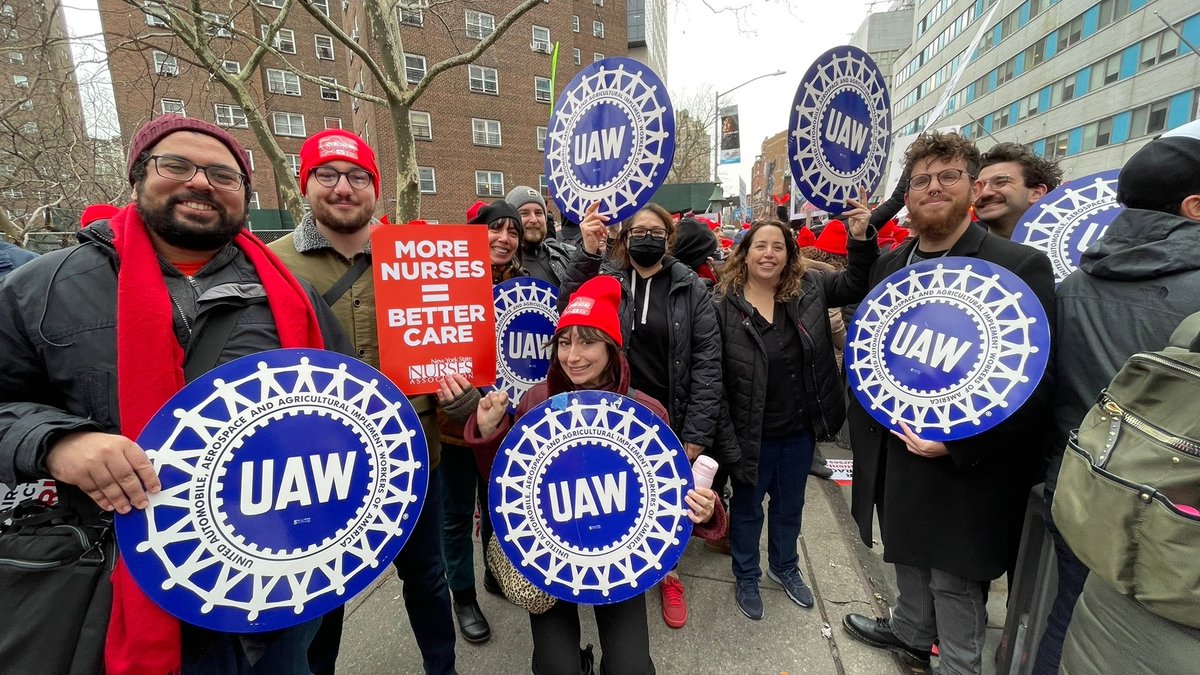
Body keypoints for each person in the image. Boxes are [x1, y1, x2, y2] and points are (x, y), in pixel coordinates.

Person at [0, 114, 350, 673]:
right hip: (114, 578)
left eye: (223, 174)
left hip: (273, 573)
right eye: (177, 166)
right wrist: (58, 443)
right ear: (137, 177)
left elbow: (343, 414)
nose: (202, 183)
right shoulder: (44, 287)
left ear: (243, 195)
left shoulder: (295, 299)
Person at [840, 132, 1055, 674]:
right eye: (920, 181)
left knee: (955, 583)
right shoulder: (891, 265)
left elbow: (1034, 382)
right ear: (907, 196)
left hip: (965, 465)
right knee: (905, 555)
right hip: (896, 449)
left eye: (947, 176)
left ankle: (959, 666)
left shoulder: (1017, 266)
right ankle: (910, 632)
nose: (932, 188)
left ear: (972, 187)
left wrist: (959, 445)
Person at [463, 275, 725, 675]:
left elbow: (671, 503)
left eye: (587, 342)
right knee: (556, 667)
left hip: (618, 559)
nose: (573, 356)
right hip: (549, 555)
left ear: (611, 347)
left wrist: (704, 510)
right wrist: (488, 432)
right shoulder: (536, 401)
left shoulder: (647, 413)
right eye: (565, 343)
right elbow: (505, 489)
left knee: (631, 668)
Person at [269, 129, 456, 675]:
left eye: (358, 177)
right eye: (327, 175)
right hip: (315, 468)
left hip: (416, 455)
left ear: (377, 188)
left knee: (427, 577)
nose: (343, 188)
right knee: (320, 601)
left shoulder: (422, 258)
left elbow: (452, 354)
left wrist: (463, 399)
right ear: (305, 185)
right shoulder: (269, 264)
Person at [1035, 122, 1200, 674]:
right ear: (1194, 206)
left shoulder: (1072, 285)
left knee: (1071, 619)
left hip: (1079, 491)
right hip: (1177, 524)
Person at [713, 199, 876, 621]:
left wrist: (860, 237)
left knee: (789, 509)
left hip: (798, 432)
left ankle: (785, 567)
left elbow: (859, 281)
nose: (769, 253)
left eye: (778, 247)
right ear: (744, 253)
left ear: (790, 254)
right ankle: (746, 574)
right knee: (747, 511)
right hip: (750, 433)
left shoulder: (811, 290)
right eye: (760, 246)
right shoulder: (722, 304)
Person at [564, 202, 722, 629]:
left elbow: (708, 360)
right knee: (614, 491)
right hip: (613, 406)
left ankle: (667, 572)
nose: (646, 238)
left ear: (669, 239)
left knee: (667, 499)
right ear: (624, 237)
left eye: (655, 231)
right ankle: (607, 561)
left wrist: (697, 429)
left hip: (670, 411)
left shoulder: (691, 288)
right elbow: (569, 309)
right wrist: (586, 251)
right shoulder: (608, 279)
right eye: (637, 232)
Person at [434, 198, 528, 644]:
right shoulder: (444, 286)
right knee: (454, 517)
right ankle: (464, 596)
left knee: (496, 507)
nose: (505, 239)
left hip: (504, 428)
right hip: (453, 430)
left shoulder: (526, 287)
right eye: (496, 229)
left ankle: (495, 572)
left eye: (512, 231)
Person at [974, 142, 1063, 240]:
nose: (984, 193)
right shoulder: (956, 248)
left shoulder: (1070, 247)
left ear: (1036, 193)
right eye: (978, 186)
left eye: (1000, 182)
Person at [506, 185, 574, 287]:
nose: (533, 219)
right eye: (524, 213)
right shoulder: (500, 266)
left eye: (538, 213)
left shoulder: (566, 255)